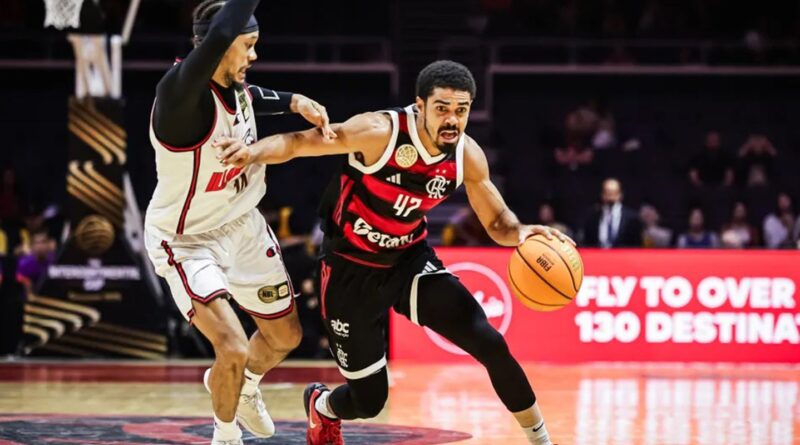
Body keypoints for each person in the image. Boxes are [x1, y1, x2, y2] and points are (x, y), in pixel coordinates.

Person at [214, 60, 570, 445]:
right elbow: (300, 143)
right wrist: (251, 152)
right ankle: (323, 406)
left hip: (408, 262)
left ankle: (541, 439)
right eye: (442, 109)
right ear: (420, 106)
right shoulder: (379, 131)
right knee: (369, 401)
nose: (452, 120)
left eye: (461, 110)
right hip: (350, 269)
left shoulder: (466, 154)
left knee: (490, 342)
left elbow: (498, 222)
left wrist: (521, 232)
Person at [142, 1, 335, 443]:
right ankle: (226, 434)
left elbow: (251, 99)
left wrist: (294, 101)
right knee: (231, 345)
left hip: (242, 226)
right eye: (247, 46)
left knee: (285, 336)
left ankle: (242, 387)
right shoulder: (178, 95)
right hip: (187, 240)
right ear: (219, 45)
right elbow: (220, 37)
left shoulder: (235, 87)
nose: (253, 55)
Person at [580, 178, 642, 248]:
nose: (610, 196)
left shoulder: (632, 218)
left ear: (620, 194)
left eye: (614, 192)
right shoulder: (593, 217)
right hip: (598, 256)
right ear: (602, 194)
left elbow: (636, 245)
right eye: (607, 192)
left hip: (624, 256)